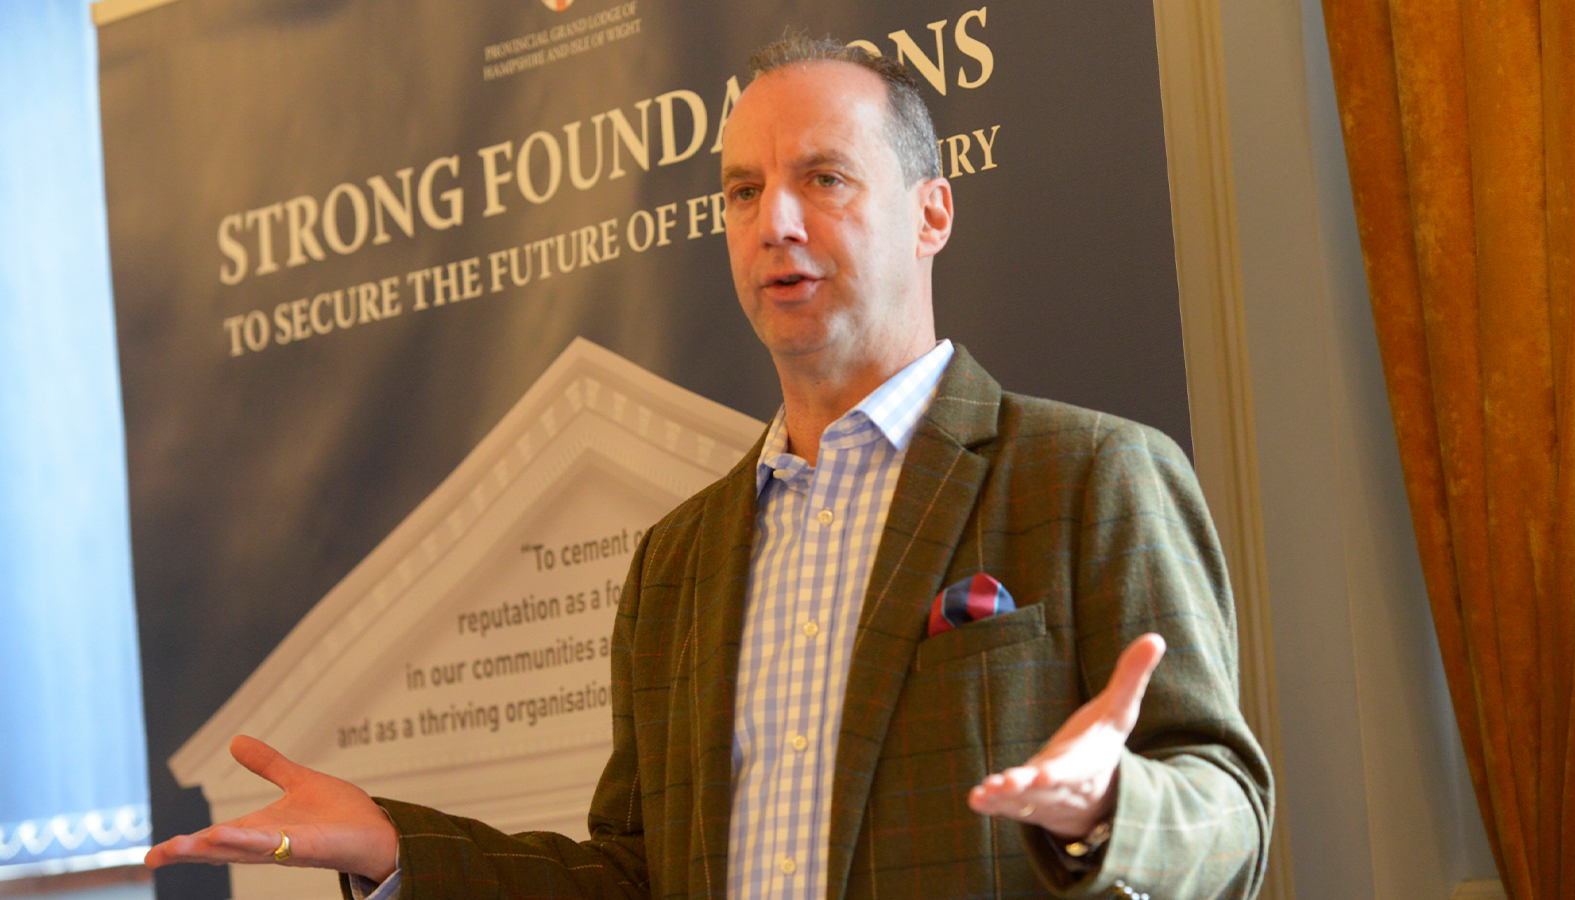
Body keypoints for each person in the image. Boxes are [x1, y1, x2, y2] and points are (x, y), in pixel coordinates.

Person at [146, 36, 1272, 899]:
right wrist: (397, 846)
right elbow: (633, 877)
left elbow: (1230, 812)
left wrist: (1108, 807)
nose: (773, 221)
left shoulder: (1089, 474)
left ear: (931, 212)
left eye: (824, 178)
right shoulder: (675, 562)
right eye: (741, 191)